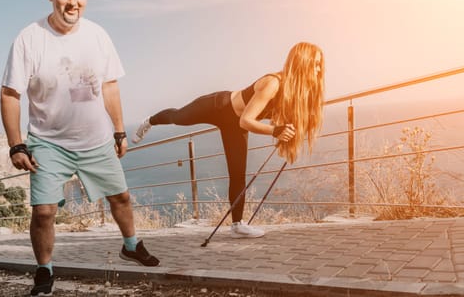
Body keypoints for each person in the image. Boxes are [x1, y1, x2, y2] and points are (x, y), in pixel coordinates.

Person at [0, 0, 159, 297]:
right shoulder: (29, 39)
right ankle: (44, 270)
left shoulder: (98, 35)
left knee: (122, 197)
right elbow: (10, 94)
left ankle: (131, 245)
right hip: (47, 143)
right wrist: (16, 145)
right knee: (43, 213)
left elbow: (110, 86)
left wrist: (119, 130)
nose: (72, 1)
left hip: (96, 139)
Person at [132, 42, 325, 239]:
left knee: (238, 173)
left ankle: (237, 225)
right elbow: (247, 120)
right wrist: (275, 131)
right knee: (179, 117)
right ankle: (150, 121)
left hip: (235, 126)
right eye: (315, 64)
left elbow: (248, 123)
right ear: (302, 62)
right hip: (217, 105)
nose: (318, 69)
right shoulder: (273, 83)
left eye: (320, 65)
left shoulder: (293, 92)